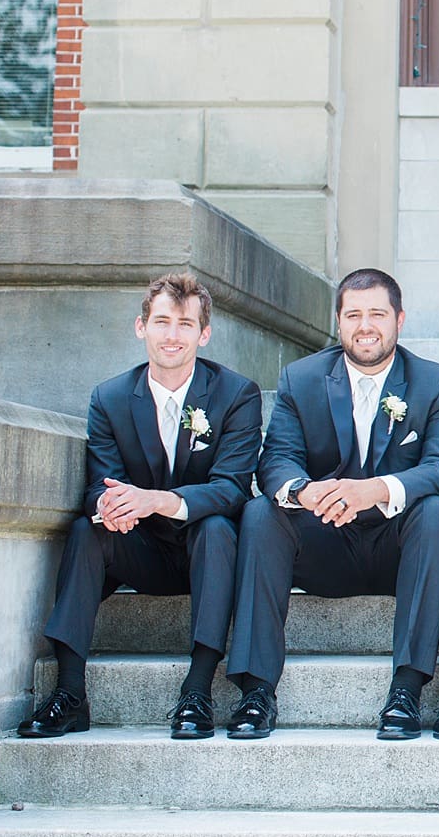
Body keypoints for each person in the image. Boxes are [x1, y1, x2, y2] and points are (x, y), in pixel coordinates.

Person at [225, 269, 439, 740]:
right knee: (260, 513)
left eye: (377, 313)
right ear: (339, 322)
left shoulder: (436, 383)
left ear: (398, 319)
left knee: (438, 512)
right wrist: (306, 492)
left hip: (401, 551)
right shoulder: (302, 378)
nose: (366, 325)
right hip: (326, 543)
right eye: (354, 315)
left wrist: (373, 489)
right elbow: (276, 461)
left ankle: (407, 689)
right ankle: (256, 690)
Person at [20, 274, 262, 740]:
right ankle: (70, 691)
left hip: (208, 553)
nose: (173, 335)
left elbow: (232, 488)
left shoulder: (236, 394)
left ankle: (197, 691)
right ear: (141, 327)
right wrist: (109, 505)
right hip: (142, 550)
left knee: (216, 528)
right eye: (163, 322)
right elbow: (97, 484)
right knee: (85, 530)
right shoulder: (110, 397)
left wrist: (158, 500)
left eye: (185, 324)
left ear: (203, 334)